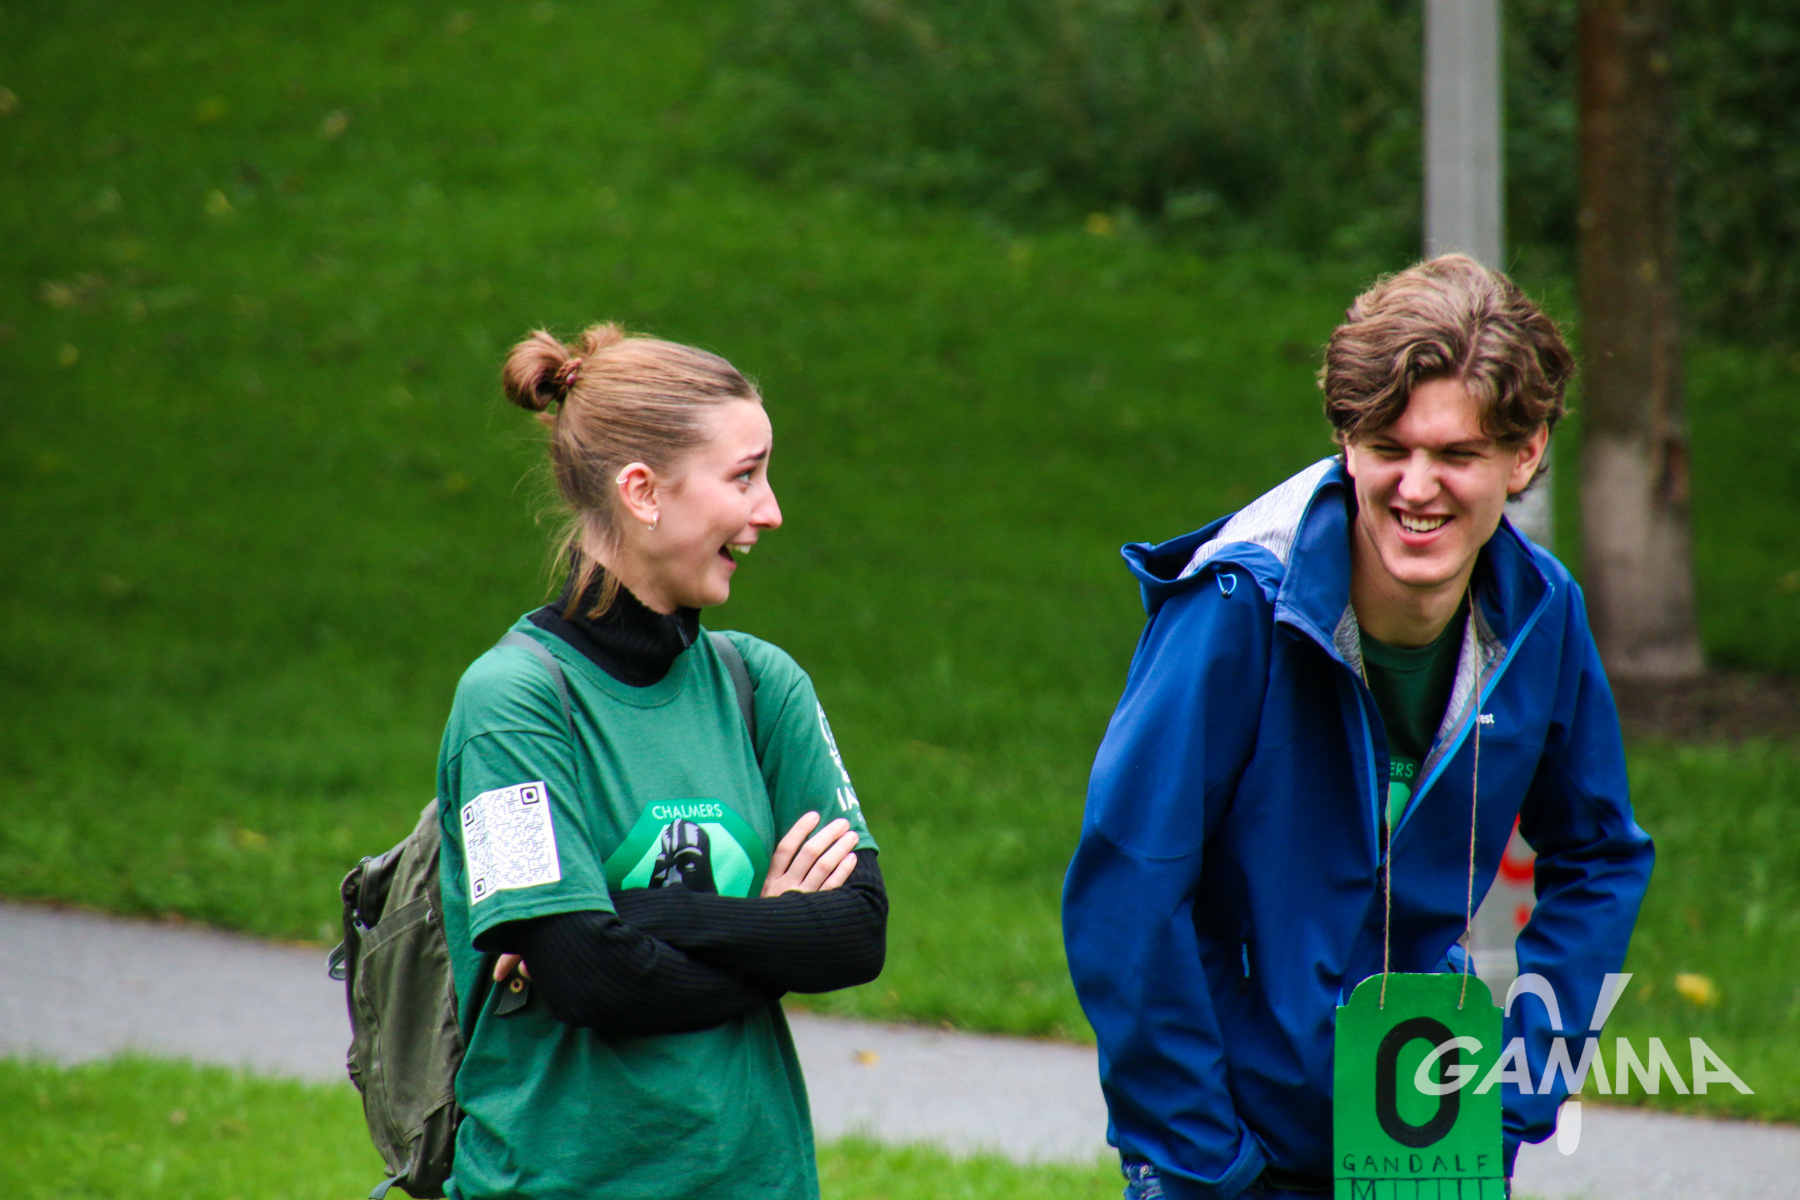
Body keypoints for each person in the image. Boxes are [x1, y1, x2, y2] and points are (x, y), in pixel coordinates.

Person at [1063, 255, 1653, 1199]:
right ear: (1347, 443)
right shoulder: (1236, 606)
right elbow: (1128, 889)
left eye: (1456, 455)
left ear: (1525, 454)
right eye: (1389, 447)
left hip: (1426, 1138)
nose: (1417, 487)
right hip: (1234, 1155)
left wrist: (1511, 1095)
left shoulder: (1542, 613)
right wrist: (1201, 1161)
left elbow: (1601, 855)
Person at [435, 323, 886, 1200]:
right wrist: (769, 927)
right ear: (642, 492)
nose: (771, 511)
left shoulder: (763, 684)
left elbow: (854, 933)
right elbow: (589, 979)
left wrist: (638, 915)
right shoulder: (510, 704)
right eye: (744, 477)